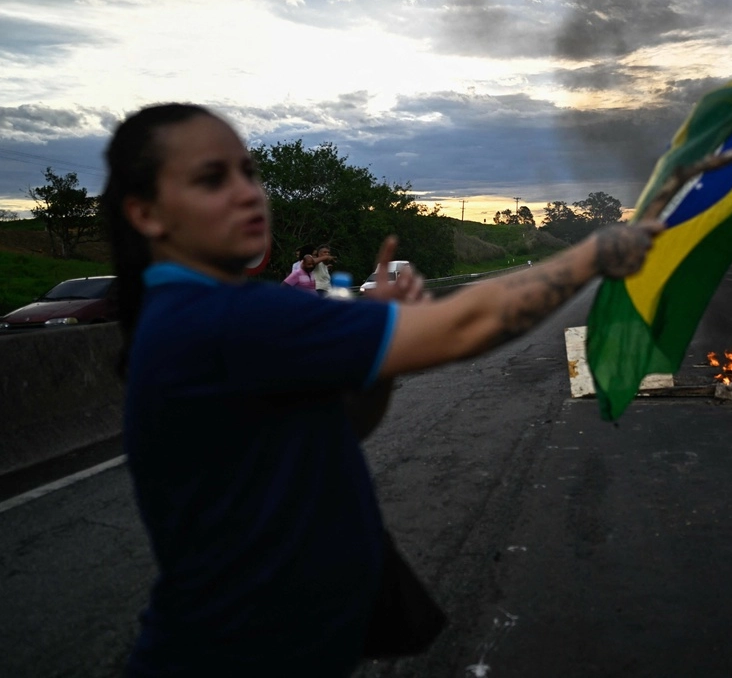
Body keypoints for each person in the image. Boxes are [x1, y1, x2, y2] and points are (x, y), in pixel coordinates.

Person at [101, 103, 661, 677]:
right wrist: (594, 254)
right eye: (211, 179)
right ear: (145, 212)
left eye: (249, 172)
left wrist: (378, 350)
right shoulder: (227, 318)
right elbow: (466, 324)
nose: (248, 193)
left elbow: (342, 425)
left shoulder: (192, 315)